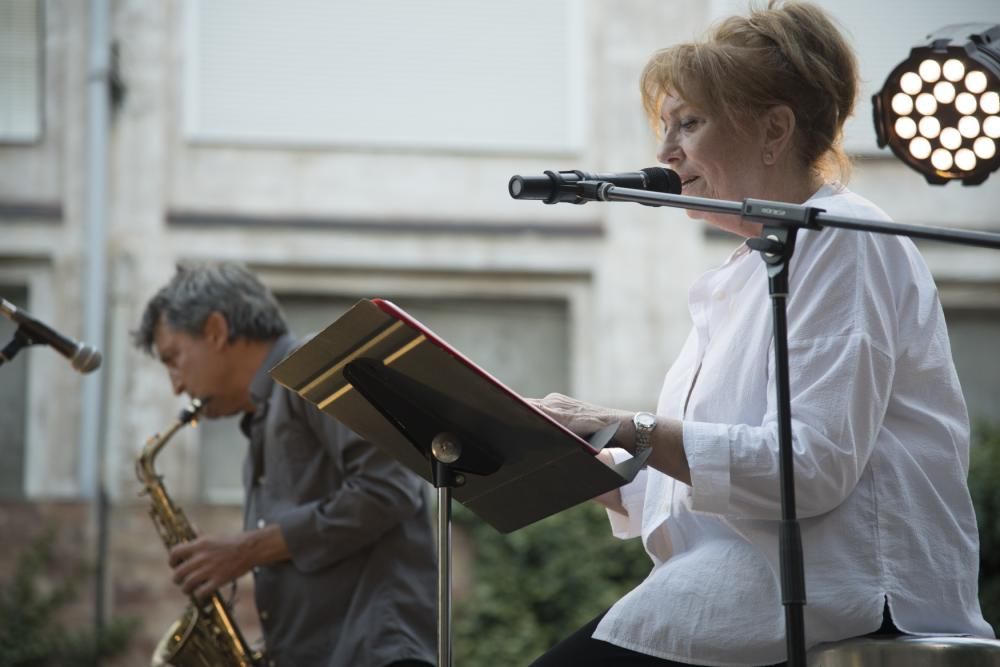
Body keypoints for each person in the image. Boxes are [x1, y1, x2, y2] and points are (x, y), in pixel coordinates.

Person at [528, 2, 993, 665]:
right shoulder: (753, 265)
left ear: (774, 130)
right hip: (735, 596)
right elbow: (712, 485)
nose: (665, 153)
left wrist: (625, 424)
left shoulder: (841, 239)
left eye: (687, 123)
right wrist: (575, 459)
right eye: (664, 128)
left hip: (835, 598)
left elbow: (809, 467)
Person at [133, 262, 437, 667]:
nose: (176, 385)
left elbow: (391, 490)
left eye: (174, 358)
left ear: (216, 331)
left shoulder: (313, 370)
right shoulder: (263, 418)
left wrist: (248, 549)